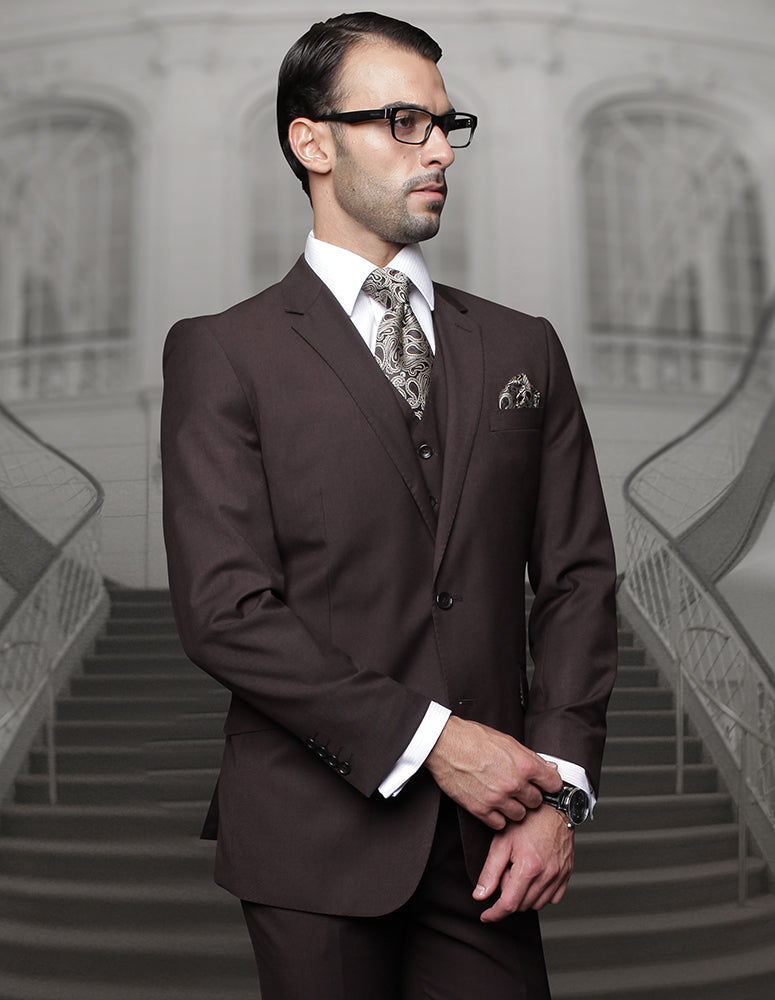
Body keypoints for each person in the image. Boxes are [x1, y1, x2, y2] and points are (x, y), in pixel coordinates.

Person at [161, 11, 617, 999]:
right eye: (404, 122)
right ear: (311, 141)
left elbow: (577, 577)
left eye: (449, 125)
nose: (439, 150)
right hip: (310, 840)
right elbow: (224, 610)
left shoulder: (522, 348)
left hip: (494, 840)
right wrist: (438, 741)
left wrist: (556, 788)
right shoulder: (222, 352)